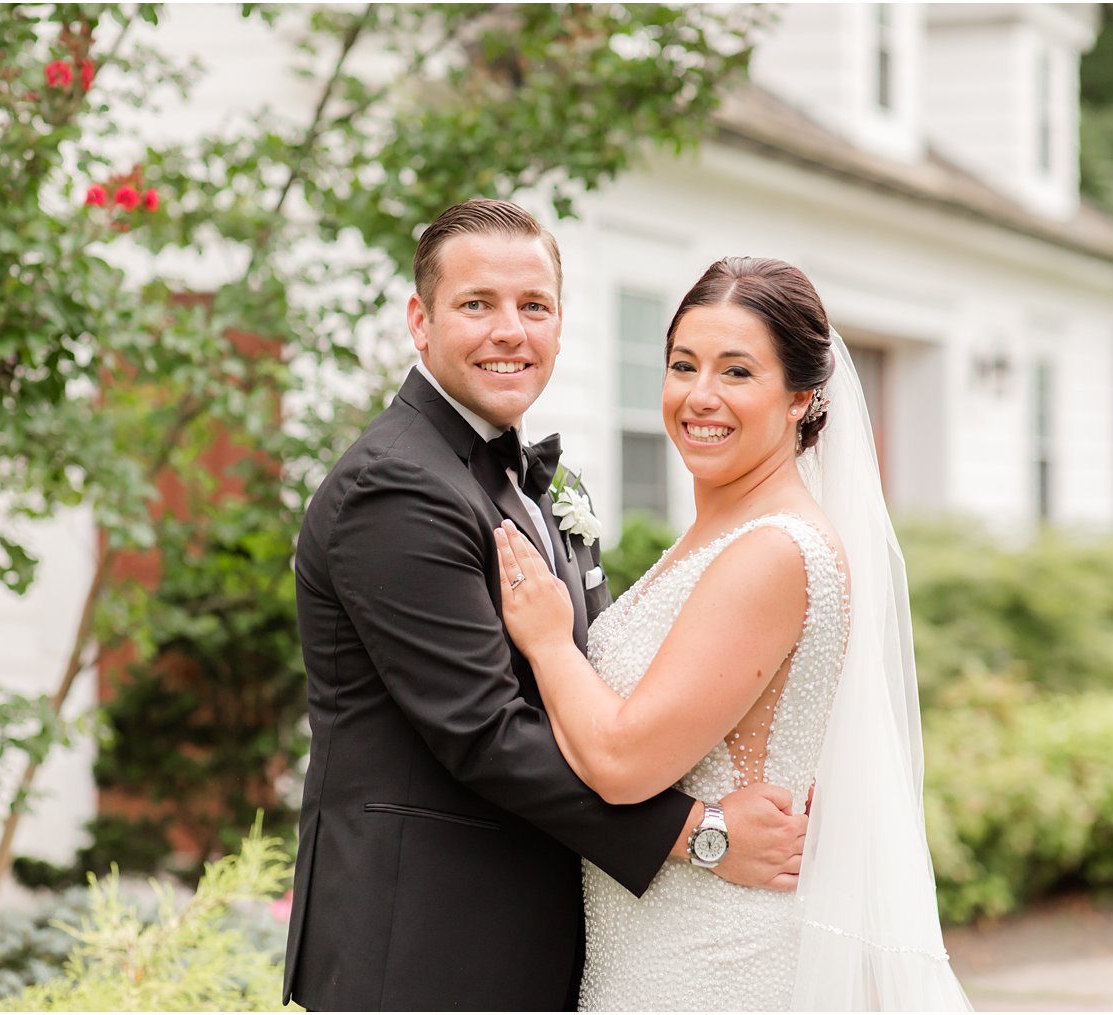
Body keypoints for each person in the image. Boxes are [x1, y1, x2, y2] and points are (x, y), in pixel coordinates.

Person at [281, 203, 811, 1012]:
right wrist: (701, 834)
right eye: (476, 304)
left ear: (561, 325)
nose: (510, 331)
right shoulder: (395, 488)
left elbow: (595, 678)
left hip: (539, 936)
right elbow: (484, 730)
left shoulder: (533, 482)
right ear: (420, 322)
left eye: (533, 306)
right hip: (425, 950)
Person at [495, 256, 973, 1011]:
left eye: (738, 372)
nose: (700, 395)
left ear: (802, 400)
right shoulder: (720, 535)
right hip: (654, 947)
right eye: (683, 364)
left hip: (712, 962)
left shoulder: (775, 551)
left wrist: (550, 641)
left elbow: (622, 759)